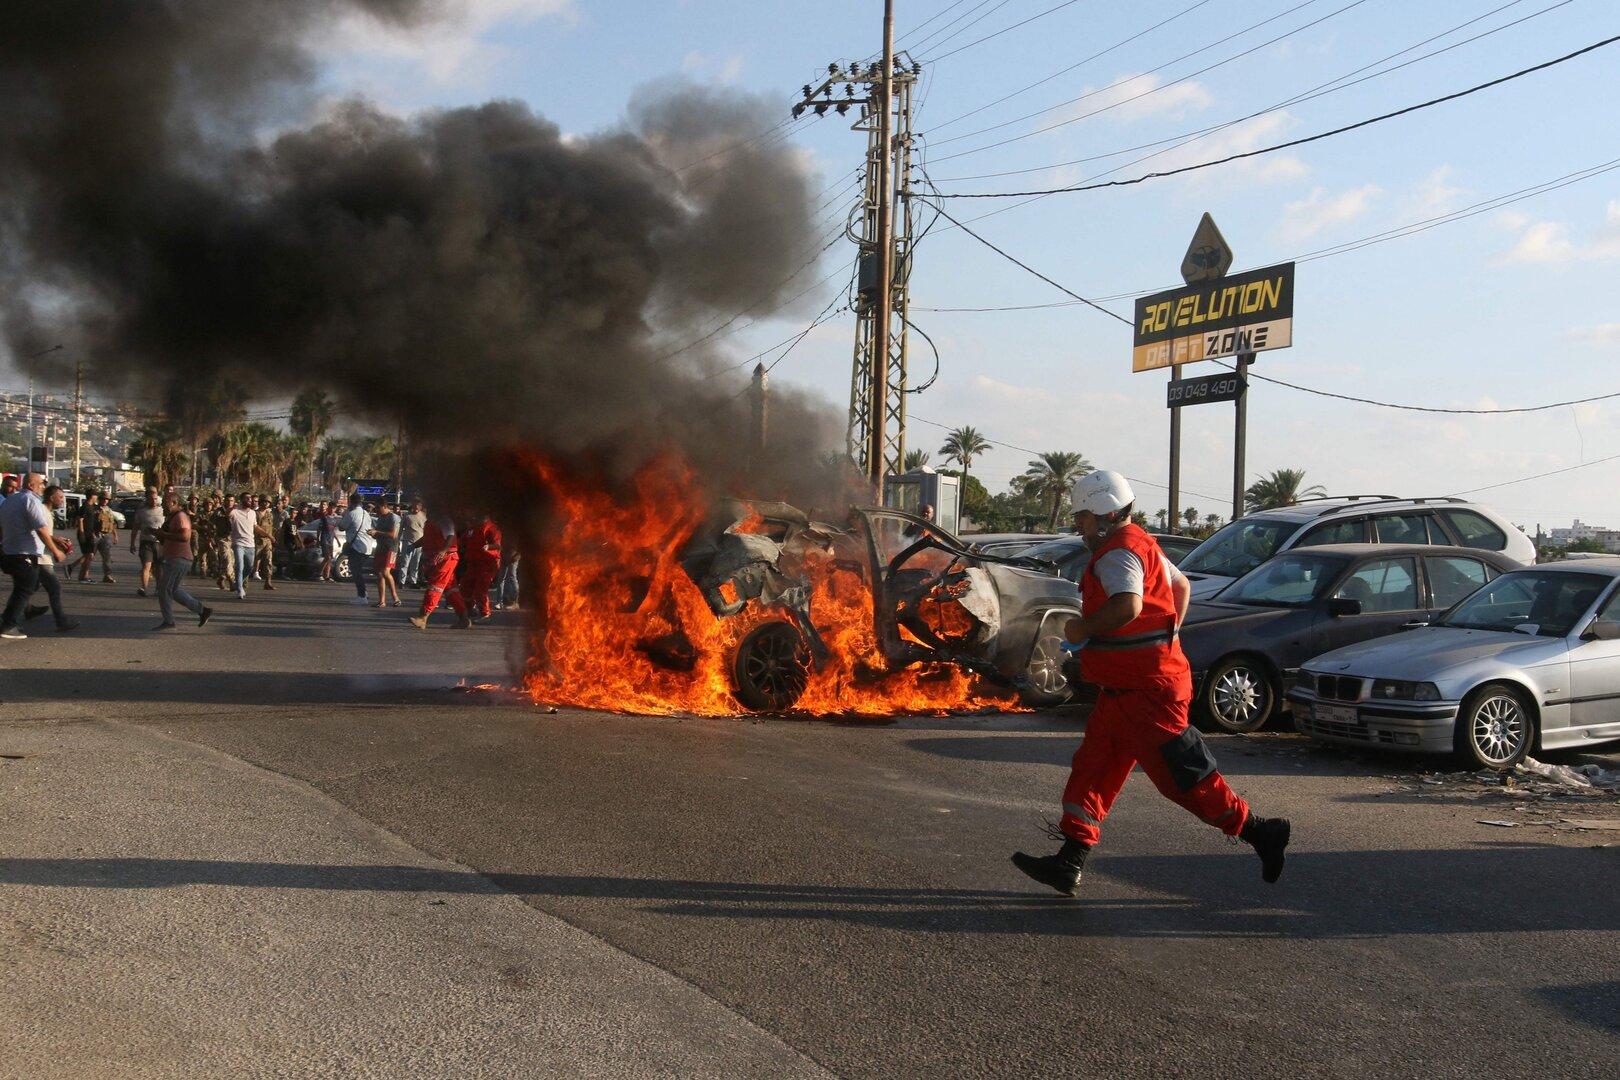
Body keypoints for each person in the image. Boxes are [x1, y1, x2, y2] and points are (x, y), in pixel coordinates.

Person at [1012, 470, 1290, 897]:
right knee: (1094, 769)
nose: (1078, 527)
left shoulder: (1117, 554)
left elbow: (1127, 605)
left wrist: (1082, 629)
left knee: (1183, 780)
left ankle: (1259, 832)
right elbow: (1179, 586)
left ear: (1103, 512)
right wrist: (1168, 633)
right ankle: (1069, 860)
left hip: (1148, 694)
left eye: (1082, 518)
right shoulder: (1138, 543)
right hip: (1125, 692)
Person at [1, 474, 79, 639]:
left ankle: (21, 614)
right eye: (41, 484)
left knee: (25, 587)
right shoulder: (32, 501)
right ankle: (8, 624)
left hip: (11, 552)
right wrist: (56, 551)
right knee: (26, 588)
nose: (43, 487)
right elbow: (41, 530)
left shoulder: (11, 500)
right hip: (26, 554)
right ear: (30, 485)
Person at [149, 492, 213, 630]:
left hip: (179, 558)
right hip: (174, 557)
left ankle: (169, 621)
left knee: (164, 589)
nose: (162, 506)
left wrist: (163, 534)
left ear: (173, 502)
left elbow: (185, 536)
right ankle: (202, 610)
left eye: (165, 503)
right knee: (173, 590)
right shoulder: (172, 517)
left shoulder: (181, 517)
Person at [409, 511, 470, 629]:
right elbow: (427, 538)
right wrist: (413, 546)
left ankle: (423, 617)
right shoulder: (432, 521)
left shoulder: (444, 520)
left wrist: (443, 551)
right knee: (451, 590)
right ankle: (464, 618)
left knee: (435, 586)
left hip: (446, 558)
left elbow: (451, 536)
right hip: (440, 558)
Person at [458, 513, 503, 620]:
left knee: (480, 590)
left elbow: (498, 545)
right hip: (473, 564)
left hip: (487, 564)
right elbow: (461, 541)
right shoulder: (472, 528)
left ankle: (484, 613)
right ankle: (470, 609)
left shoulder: (492, 528)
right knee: (464, 587)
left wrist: (488, 546)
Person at [340, 493, 375, 604]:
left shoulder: (351, 514)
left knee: (356, 571)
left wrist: (345, 514)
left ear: (351, 502)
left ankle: (362, 597)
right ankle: (364, 592)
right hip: (367, 546)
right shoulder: (366, 514)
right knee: (357, 570)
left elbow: (341, 527)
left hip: (356, 547)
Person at [129, 487, 165, 597]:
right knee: (146, 566)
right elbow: (135, 527)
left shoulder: (163, 510)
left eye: (155, 498)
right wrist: (132, 543)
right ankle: (144, 587)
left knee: (158, 567)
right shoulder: (142, 511)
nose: (154, 501)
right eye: (151, 498)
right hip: (146, 542)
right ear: (147, 498)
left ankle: (159, 589)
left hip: (159, 542)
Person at [370, 501, 401, 608]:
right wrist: (373, 533)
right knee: (379, 574)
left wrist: (377, 533)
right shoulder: (380, 518)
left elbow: (393, 534)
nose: (377, 511)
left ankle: (395, 597)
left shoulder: (394, 517)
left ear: (384, 507)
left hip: (391, 549)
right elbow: (377, 533)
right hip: (380, 548)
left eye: (378, 508)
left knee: (385, 572)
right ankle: (382, 600)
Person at [228, 493, 258, 600]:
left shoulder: (253, 513)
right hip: (238, 543)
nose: (250, 500)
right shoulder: (235, 512)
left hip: (250, 544)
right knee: (240, 566)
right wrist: (232, 506)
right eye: (247, 498)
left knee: (249, 567)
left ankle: (236, 584)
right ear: (241, 500)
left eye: (251, 499)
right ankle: (240, 589)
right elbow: (227, 514)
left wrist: (268, 535)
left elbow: (255, 526)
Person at [398, 499, 426, 588]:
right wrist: (398, 540)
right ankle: (401, 582)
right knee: (405, 563)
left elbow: (426, 529)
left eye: (417, 508)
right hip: (407, 541)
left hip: (419, 542)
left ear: (420, 507)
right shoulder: (406, 515)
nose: (415, 509)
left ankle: (413, 581)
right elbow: (400, 528)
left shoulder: (424, 516)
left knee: (416, 563)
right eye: (413, 507)